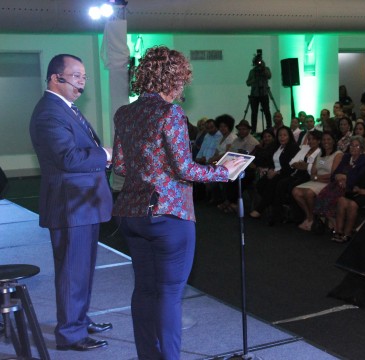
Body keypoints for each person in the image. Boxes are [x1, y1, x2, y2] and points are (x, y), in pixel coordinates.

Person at [111, 46, 233, 359]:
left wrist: (150, 169)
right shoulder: (171, 113)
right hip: (169, 215)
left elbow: (122, 166)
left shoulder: (124, 113)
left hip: (131, 214)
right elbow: (184, 169)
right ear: (174, 79)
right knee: (168, 294)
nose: (184, 85)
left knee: (144, 289)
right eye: (182, 78)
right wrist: (223, 171)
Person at [29, 53, 113, 351]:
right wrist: (106, 154)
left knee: (82, 269)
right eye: (76, 76)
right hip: (71, 206)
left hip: (83, 204)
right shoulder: (49, 113)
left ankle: (79, 318)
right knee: (71, 272)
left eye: (84, 77)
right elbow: (68, 158)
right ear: (56, 78)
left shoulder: (65, 109)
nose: (82, 82)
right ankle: (71, 334)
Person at [292, 131, 343, 230]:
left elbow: (333, 174)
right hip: (316, 180)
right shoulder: (320, 153)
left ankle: (312, 219)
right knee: (295, 191)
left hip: (328, 183)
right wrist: (315, 177)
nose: (326, 142)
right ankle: (310, 217)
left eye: (328, 139)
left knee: (308, 193)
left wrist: (316, 177)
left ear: (333, 141)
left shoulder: (338, 154)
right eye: (324, 140)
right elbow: (313, 172)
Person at [250, 126, 299, 219]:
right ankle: (275, 208)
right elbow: (272, 161)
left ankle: (260, 209)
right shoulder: (277, 146)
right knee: (260, 184)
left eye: (285, 135)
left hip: (286, 173)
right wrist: (271, 170)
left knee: (272, 183)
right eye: (280, 135)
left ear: (289, 136)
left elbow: (290, 166)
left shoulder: (293, 147)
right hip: (275, 171)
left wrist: (276, 172)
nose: (282, 137)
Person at [246, 51, 272, 132]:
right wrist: (253, 79)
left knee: (267, 111)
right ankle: (253, 130)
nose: (259, 63)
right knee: (254, 113)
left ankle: (269, 128)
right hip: (254, 94)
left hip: (264, 93)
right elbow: (247, 82)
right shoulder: (252, 71)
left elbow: (269, 76)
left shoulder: (266, 69)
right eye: (258, 62)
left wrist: (263, 68)